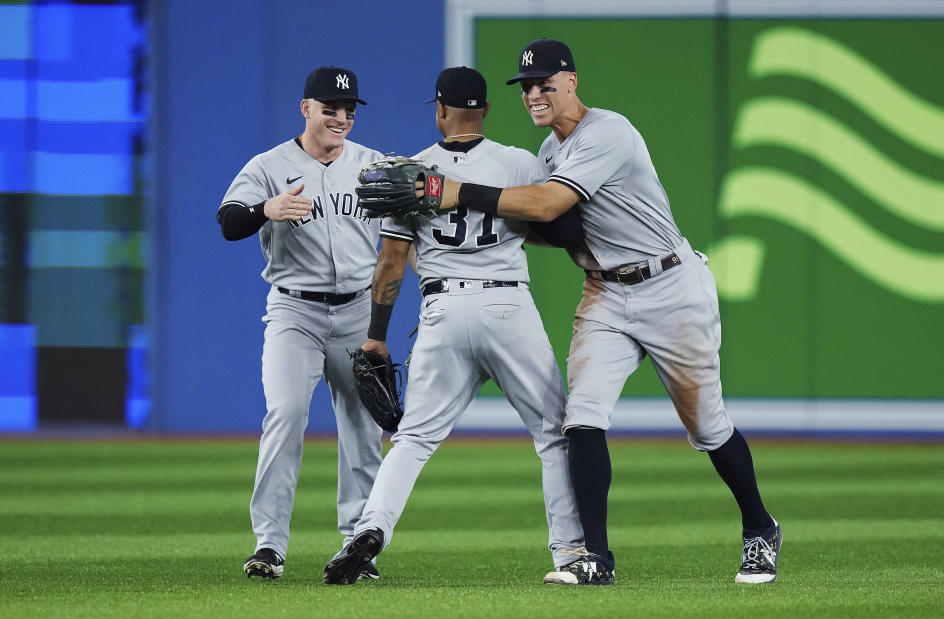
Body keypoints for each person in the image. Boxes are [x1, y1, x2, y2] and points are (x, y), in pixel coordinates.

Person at [427, 39, 781, 585]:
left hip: (670, 285)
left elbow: (544, 205)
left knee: (708, 426)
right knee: (582, 418)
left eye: (545, 82)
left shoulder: (608, 132)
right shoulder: (548, 155)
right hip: (606, 294)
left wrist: (453, 191)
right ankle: (594, 558)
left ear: (571, 80)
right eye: (526, 87)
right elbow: (550, 226)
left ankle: (760, 527)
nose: (535, 94)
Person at [321, 66, 587, 585]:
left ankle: (368, 532)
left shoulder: (412, 169)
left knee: (413, 440)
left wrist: (376, 334)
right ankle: (570, 553)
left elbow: (391, 263)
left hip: (441, 309)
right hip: (507, 306)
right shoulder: (517, 161)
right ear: (486, 110)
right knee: (553, 436)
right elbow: (556, 226)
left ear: (439, 111)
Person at [217, 66, 385, 580]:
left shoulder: (373, 165)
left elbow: (407, 233)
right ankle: (269, 545)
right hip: (295, 310)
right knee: (286, 414)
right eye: (330, 108)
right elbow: (228, 222)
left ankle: (359, 545)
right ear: (306, 108)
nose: (341, 117)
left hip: (358, 309)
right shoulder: (270, 166)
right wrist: (267, 207)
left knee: (363, 426)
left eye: (348, 110)